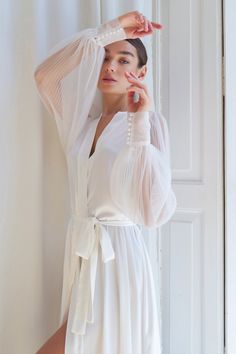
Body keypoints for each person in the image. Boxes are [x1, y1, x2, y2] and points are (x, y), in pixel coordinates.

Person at [34, 10, 177, 354]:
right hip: (83, 255)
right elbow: (45, 78)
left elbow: (152, 210)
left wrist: (139, 122)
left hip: (119, 259)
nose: (110, 66)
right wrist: (108, 32)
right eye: (104, 58)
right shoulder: (80, 125)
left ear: (141, 73)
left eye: (123, 59)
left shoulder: (150, 124)